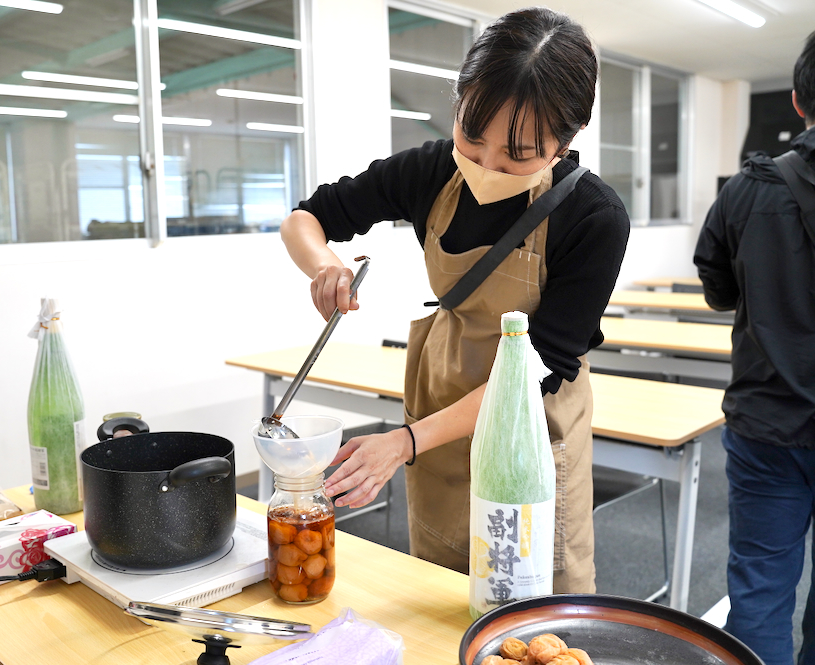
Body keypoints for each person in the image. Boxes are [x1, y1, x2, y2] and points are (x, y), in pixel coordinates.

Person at [280, 7, 630, 593]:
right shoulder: (431, 171)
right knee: (440, 581)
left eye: (518, 153)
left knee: (532, 587)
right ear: (460, 100)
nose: (486, 165)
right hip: (443, 393)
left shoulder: (594, 216)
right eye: (472, 135)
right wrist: (326, 267)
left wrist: (404, 441)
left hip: (529, 418)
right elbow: (305, 219)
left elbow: (536, 370)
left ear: (567, 141)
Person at [694, 31, 815, 665]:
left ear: (798, 101)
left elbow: (715, 286)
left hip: (767, 425)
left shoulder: (747, 190)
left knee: (761, 594)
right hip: (769, 426)